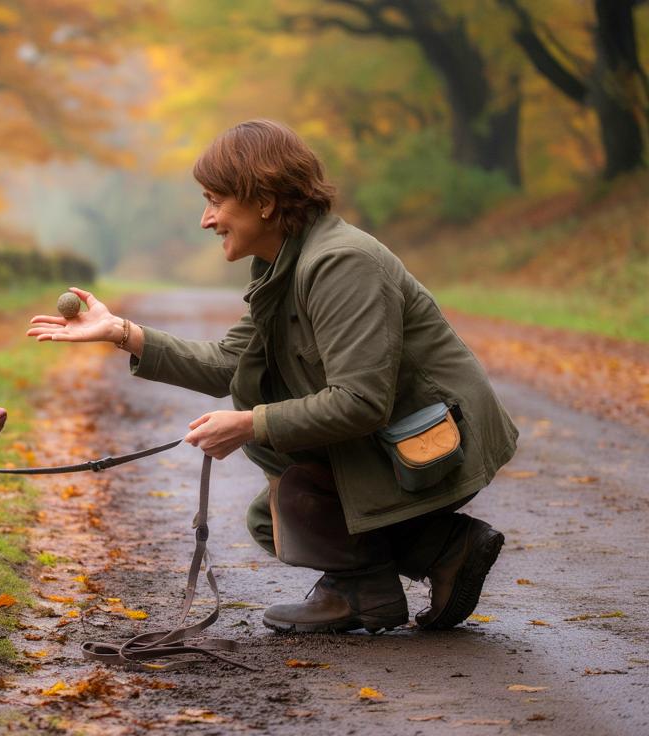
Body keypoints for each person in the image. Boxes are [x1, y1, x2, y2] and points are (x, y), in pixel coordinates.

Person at [26, 119, 517, 633]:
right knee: (275, 519)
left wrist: (249, 424)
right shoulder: (284, 264)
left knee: (288, 504)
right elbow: (226, 364)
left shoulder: (340, 263)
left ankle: (371, 586)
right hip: (397, 443)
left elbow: (361, 401)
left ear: (263, 200)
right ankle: (436, 552)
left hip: (433, 448)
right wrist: (120, 332)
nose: (206, 219)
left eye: (215, 200)